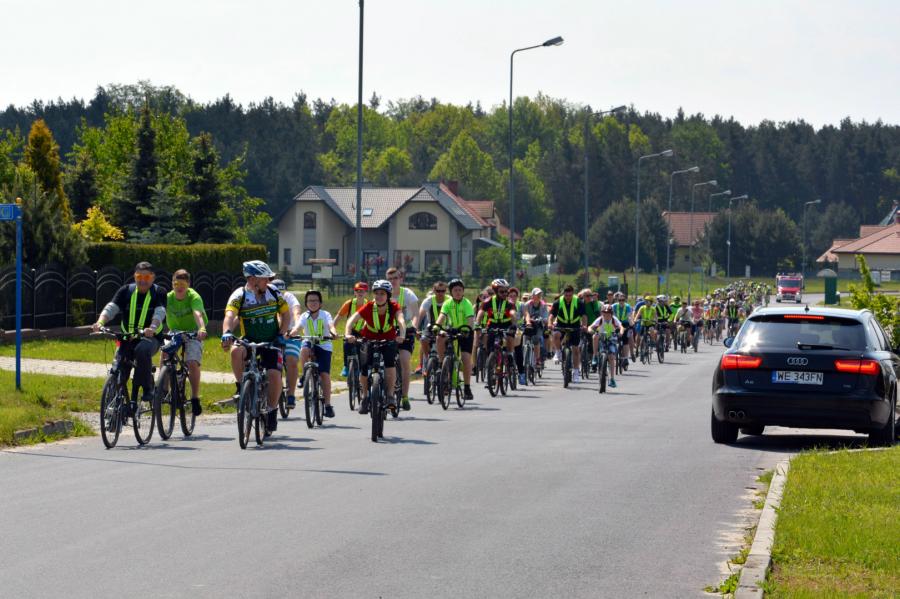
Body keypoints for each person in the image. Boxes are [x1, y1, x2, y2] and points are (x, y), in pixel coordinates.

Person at [221, 260, 289, 433]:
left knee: (274, 374)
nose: (268, 282)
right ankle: (241, 387)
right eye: (265, 279)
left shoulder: (273, 292)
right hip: (249, 340)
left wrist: (281, 334)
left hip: (271, 341)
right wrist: (226, 332)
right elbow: (230, 315)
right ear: (252, 279)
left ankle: (272, 410)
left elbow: (285, 314)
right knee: (236, 352)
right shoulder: (240, 294)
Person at [92, 261, 167, 414]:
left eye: (146, 277)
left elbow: (160, 312)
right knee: (118, 367)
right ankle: (113, 409)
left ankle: (147, 388)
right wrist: (100, 322)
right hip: (127, 338)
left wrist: (152, 328)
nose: (142, 280)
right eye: (139, 276)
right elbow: (111, 308)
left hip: (150, 338)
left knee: (142, 350)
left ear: (153, 277)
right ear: (134, 276)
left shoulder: (159, 292)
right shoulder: (126, 291)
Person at [344, 279, 406, 414]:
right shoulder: (369, 306)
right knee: (364, 368)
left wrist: (402, 335)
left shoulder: (394, 306)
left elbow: (401, 320)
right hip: (369, 339)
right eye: (376, 293)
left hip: (388, 339)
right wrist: (348, 334)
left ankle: (390, 396)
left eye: (382, 294)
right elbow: (351, 320)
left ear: (388, 295)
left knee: (389, 364)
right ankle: (365, 397)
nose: (379, 296)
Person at [164, 269, 209, 416]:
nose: (179, 287)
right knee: (165, 353)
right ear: (172, 284)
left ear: (188, 284)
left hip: (193, 332)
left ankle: (195, 397)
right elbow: (158, 312)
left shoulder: (194, 297)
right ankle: (163, 389)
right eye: (176, 284)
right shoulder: (168, 298)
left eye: (182, 284)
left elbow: (197, 313)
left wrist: (201, 328)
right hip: (175, 331)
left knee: (192, 362)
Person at [292, 289, 337, 418]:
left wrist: (333, 333)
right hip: (309, 342)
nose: (313, 303)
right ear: (306, 303)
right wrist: (291, 333)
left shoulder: (325, 314)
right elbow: (297, 327)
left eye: (315, 300)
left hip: (324, 345)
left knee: (324, 374)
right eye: (310, 301)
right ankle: (304, 375)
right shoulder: (304, 316)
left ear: (320, 303)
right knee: (304, 349)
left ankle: (327, 405)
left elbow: (331, 325)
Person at [433, 278, 476, 400]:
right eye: (455, 290)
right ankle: (442, 364)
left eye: (460, 290)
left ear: (463, 291)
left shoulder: (467, 303)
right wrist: (436, 326)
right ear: (451, 292)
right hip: (452, 329)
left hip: (466, 331)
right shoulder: (447, 303)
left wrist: (467, 329)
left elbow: (470, 319)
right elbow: (442, 316)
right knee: (439, 338)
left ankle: (467, 387)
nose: (458, 292)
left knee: (466, 358)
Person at [386, 267, 419, 411]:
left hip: (406, 330)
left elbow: (416, 314)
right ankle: (386, 392)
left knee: (404, 360)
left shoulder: (408, 294)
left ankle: (405, 396)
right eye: (390, 279)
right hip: (388, 331)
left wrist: (414, 327)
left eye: (395, 278)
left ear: (401, 279)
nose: (393, 281)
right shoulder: (384, 294)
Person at [475, 279, 518, 386]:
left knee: (510, 338)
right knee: (488, 342)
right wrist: (477, 324)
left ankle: (510, 356)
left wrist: (514, 324)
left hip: (507, 324)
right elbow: (480, 313)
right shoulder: (488, 301)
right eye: (502, 291)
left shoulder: (510, 303)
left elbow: (513, 313)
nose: (505, 294)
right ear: (495, 291)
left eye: (506, 291)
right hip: (492, 325)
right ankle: (491, 368)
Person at [270, 278, 302, 409]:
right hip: (273, 335)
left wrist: (296, 328)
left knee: (291, 360)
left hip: (291, 334)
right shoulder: (266, 298)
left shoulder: (290, 297)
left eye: (281, 292)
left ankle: (291, 395)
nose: (279, 295)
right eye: (276, 292)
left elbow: (296, 312)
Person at [549, 284, 587, 382]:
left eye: (570, 295)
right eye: (566, 295)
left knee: (575, 350)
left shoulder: (578, 302)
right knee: (555, 335)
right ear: (564, 294)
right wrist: (550, 324)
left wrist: (584, 325)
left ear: (573, 294)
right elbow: (552, 315)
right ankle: (558, 352)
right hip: (561, 324)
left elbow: (583, 315)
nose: (568, 297)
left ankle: (576, 372)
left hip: (574, 325)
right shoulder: (558, 302)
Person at [334, 282, 369, 377]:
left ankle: (364, 369)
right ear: (354, 292)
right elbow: (338, 317)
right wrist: (332, 331)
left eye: (362, 291)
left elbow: (369, 319)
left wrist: (365, 328)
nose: (360, 293)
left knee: (363, 349)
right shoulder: (349, 303)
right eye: (358, 291)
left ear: (366, 293)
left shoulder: (368, 304)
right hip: (351, 330)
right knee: (346, 344)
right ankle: (346, 366)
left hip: (364, 331)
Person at [589, 305, 625, 388]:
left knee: (611, 357)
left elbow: (621, 327)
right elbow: (590, 327)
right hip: (601, 337)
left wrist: (621, 333)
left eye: (608, 313)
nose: (606, 315)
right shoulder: (600, 319)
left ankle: (612, 379)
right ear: (602, 313)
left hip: (612, 338)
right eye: (604, 313)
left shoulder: (614, 319)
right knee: (594, 336)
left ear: (611, 314)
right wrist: (591, 331)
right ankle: (595, 356)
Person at [417, 281, 448, 376]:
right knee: (423, 339)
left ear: (446, 291)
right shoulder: (428, 301)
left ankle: (450, 370)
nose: (440, 293)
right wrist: (416, 328)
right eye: (438, 291)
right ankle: (427, 359)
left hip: (446, 327)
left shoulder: (449, 300)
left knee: (450, 348)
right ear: (434, 290)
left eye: (443, 291)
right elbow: (420, 315)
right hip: (431, 327)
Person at [523, 288, 550, 367]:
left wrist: (544, 319)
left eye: (540, 294)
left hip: (538, 325)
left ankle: (537, 359)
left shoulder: (543, 305)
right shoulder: (527, 304)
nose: (539, 296)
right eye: (537, 294)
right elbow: (525, 314)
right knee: (526, 341)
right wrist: (528, 320)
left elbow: (545, 315)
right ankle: (525, 358)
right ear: (533, 295)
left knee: (536, 340)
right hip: (528, 324)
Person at [508, 287, 527, 385]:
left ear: (517, 297)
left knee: (518, 349)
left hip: (518, 329)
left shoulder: (521, 305)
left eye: (514, 296)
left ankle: (521, 373)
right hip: (507, 328)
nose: (512, 297)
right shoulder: (505, 304)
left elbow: (526, 314)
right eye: (510, 296)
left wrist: (528, 322)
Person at [612, 292, 634, 362]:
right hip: (616, 324)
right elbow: (612, 316)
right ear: (617, 300)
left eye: (623, 300)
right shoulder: (613, 306)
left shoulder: (627, 306)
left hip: (625, 324)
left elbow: (629, 316)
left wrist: (631, 324)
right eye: (619, 300)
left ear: (625, 300)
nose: (621, 302)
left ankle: (626, 358)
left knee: (625, 340)